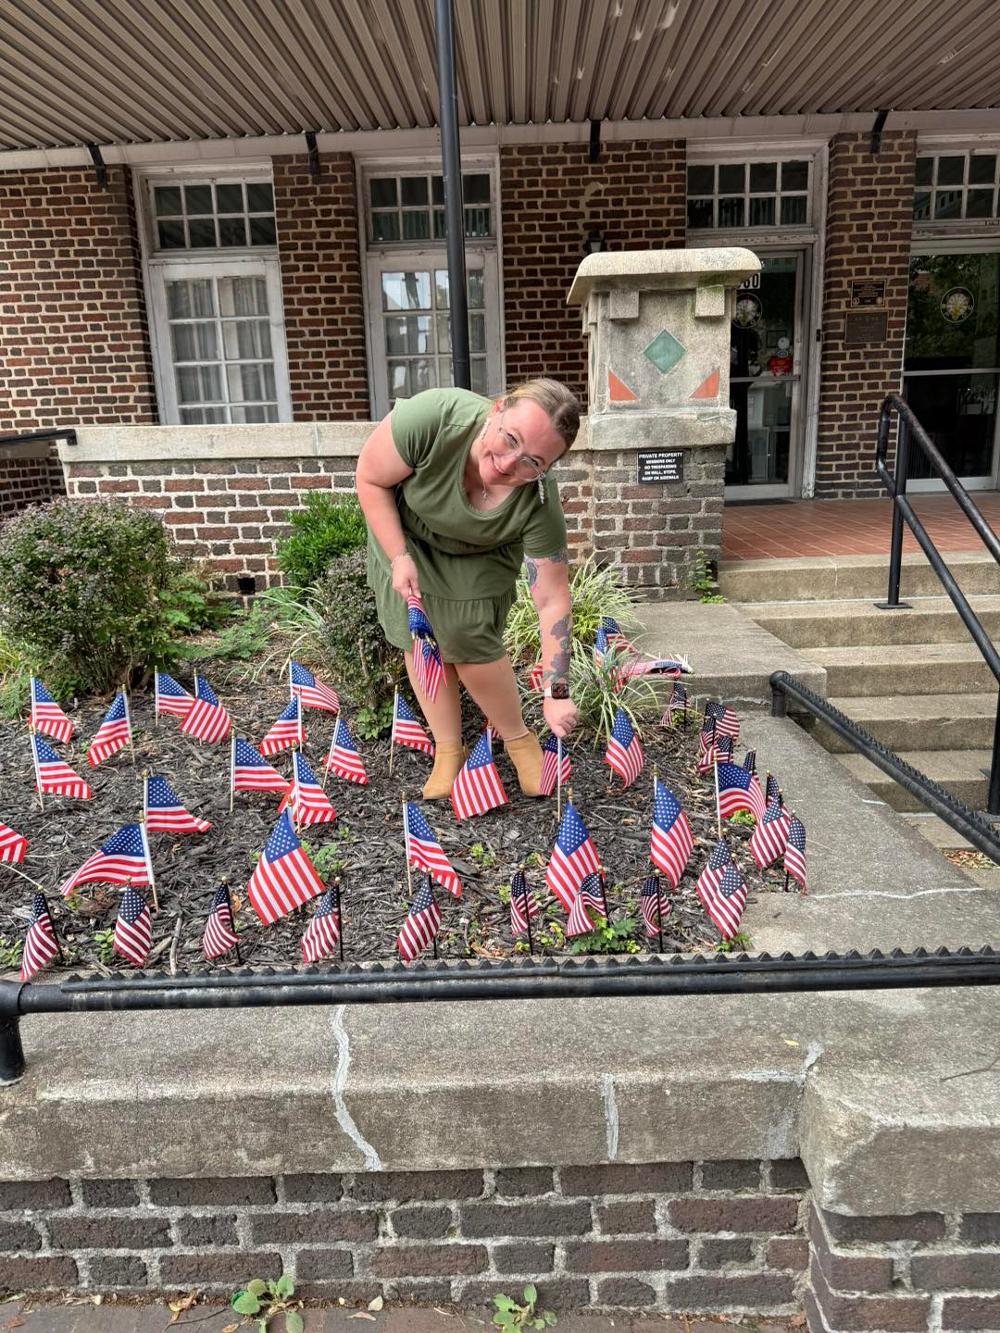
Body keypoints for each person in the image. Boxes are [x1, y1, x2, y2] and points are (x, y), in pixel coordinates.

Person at [356, 379, 581, 800]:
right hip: (408, 539)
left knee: (469, 637)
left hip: (483, 553)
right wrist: (399, 556)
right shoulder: (433, 419)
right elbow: (370, 479)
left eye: (532, 461)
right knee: (418, 636)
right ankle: (448, 748)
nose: (508, 463)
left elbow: (551, 600)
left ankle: (518, 739)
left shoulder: (537, 500)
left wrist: (557, 691)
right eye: (509, 438)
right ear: (496, 408)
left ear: (546, 469)